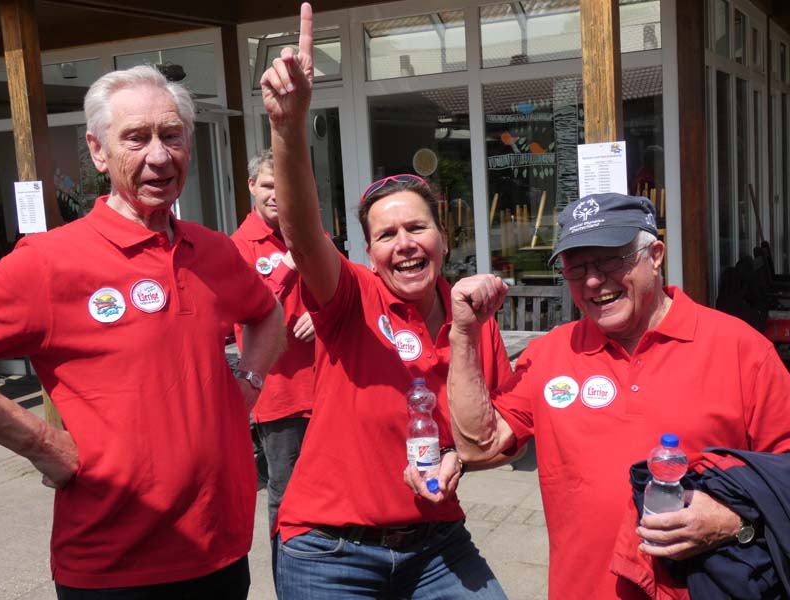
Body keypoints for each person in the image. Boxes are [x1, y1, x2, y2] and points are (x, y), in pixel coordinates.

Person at [0, 65, 286, 599]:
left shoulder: (214, 251)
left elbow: (267, 315)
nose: (159, 155)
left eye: (171, 135)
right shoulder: (49, 263)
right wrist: (39, 441)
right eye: (136, 138)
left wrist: (250, 383)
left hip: (219, 550)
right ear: (98, 151)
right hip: (113, 568)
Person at [260, 4, 513, 598]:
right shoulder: (349, 295)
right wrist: (288, 126)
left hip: (435, 543)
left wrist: (464, 461)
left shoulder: (470, 317)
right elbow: (301, 230)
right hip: (330, 549)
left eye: (416, 228)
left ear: (444, 237)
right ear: (368, 251)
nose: (404, 244)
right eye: (385, 234)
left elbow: (494, 431)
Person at [445, 193, 790, 599]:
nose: (593, 280)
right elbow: (477, 446)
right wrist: (464, 335)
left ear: (655, 255)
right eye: (577, 267)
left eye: (611, 259)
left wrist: (733, 520)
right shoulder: (551, 354)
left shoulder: (739, 349)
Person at [231, 149, 315, 532]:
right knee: (286, 491)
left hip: (326, 384)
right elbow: (249, 310)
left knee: (330, 481)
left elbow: (345, 292)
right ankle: (290, 573)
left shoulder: (310, 232)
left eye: (284, 185)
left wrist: (322, 314)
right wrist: (288, 265)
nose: (277, 194)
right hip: (279, 394)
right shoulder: (238, 246)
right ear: (251, 186)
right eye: (267, 185)